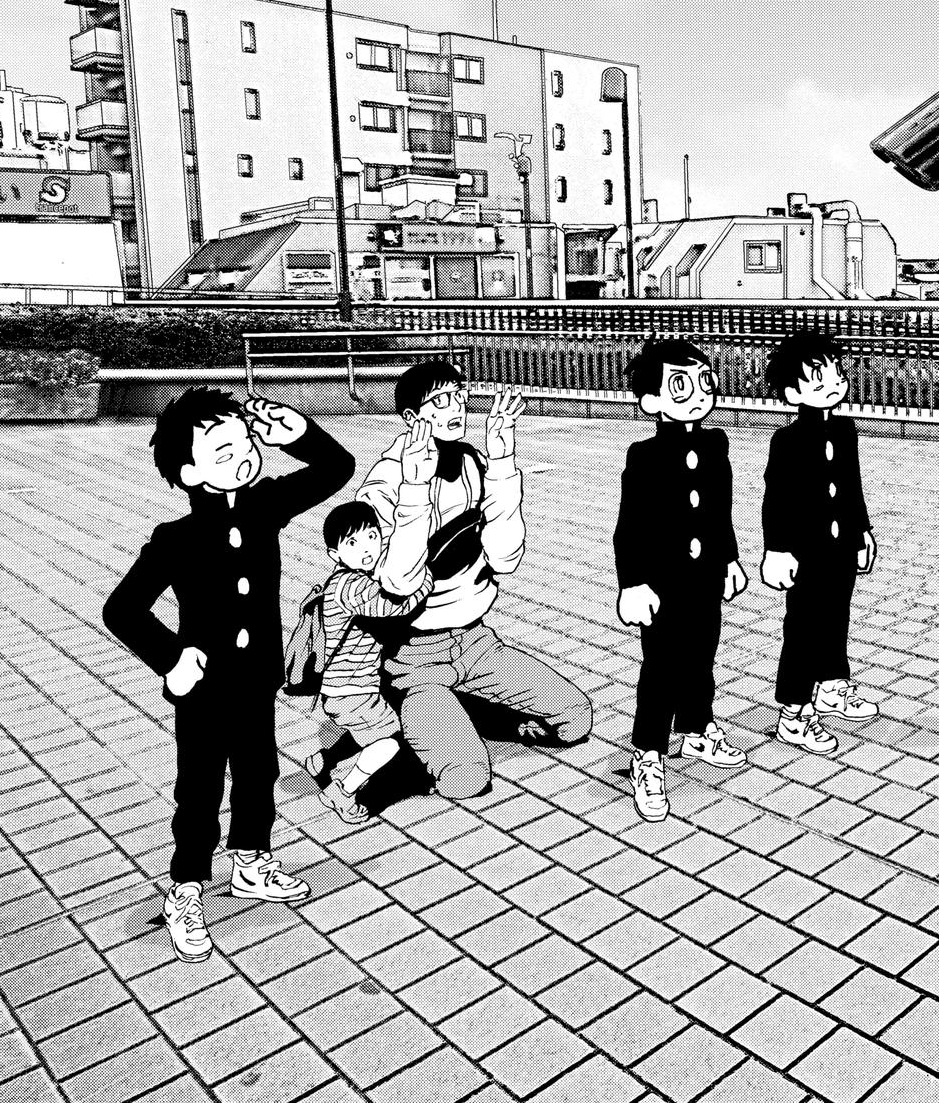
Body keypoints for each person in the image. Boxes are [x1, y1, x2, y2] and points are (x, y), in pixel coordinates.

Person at [104, 390, 353, 961]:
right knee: (199, 788)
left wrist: (298, 433)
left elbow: (335, 468)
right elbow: (122, 609)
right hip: (203, 689)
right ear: (190, 472)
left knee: (259, 771)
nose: (243, 454)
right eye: (224, 450)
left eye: (245, 442)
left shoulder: (266, 505)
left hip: (256, 679)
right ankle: (185, 888)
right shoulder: (176, 539)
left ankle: (250, 861)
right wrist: (172, 658)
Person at [357, 362, 592, 801]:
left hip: (477, 642)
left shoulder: (473, 462)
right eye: (439, 401)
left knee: (575, 718)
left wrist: (502, 462)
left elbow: (504, 558)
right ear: (410, 417)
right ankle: (394, 732)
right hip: (414, 655)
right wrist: (415, 489)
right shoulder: (384, 485)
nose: (455, 409)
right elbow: (398, 583)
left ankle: (464, 715)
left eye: (458, 397)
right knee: (465, 779)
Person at [615, 339, 750, 822]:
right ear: (651, 401)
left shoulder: (716, 445)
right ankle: (647, 753)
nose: (698, 394)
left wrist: (729, 560)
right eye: (681, 386)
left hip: (705, 576)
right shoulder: (645, 455)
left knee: (702, 653)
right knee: (661, 665)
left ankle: (697, 728)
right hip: (662, 581)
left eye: (704, 382)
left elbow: (720, 513)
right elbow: (630, 526)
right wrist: (633, 582)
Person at [304, 439, 438, 823]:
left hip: (345, 686)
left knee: (373, 727)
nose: (366, 547)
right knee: (388, 743)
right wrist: (424, 580)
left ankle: (323, 760)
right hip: (351, 688)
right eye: (353, 542)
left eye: (372, 537)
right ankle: (344, 790)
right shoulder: (351, 586)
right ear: (335, 554)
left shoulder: (344, 579)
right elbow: (394, 606)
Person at [760, 331, 880, 757]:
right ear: (793, 393)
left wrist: (862, 531)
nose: (834, 384)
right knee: (804, 627)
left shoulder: (845, 430)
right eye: (818, 379)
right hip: (805, 551)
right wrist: (776, 549)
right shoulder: (787, 441)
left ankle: (831, 687)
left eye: (837, 374)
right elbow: (775, 498)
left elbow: (852, 486)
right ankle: (794, 712)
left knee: (836, 616)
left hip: (841, 547)